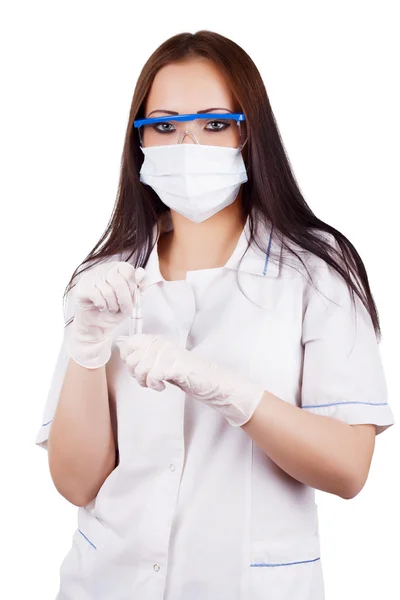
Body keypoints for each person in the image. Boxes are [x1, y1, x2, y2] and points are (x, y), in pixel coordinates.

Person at [35, 30, 395, 600]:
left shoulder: (318, 272)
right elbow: (77, 481)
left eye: (213, 124)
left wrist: (227, 389)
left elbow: (349, 469)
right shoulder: (101, 281)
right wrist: (86, 351)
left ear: (247, 132)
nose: (188, 145)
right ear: (140, 141)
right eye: (165, 126)